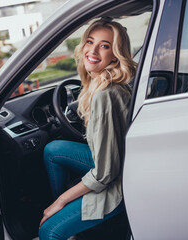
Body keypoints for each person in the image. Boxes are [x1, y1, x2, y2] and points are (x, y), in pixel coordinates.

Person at [39, 19, 137, 240]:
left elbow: (105, 174)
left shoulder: (104, 95)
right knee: (53, 150)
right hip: (119, 162)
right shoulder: (105, 83)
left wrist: (60, 201)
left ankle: (66, 214)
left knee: (48, 232)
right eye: (90, 42)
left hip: (118, 182)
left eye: (104, 45)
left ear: (115, 54)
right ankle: (74, 219)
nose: (92, 50)